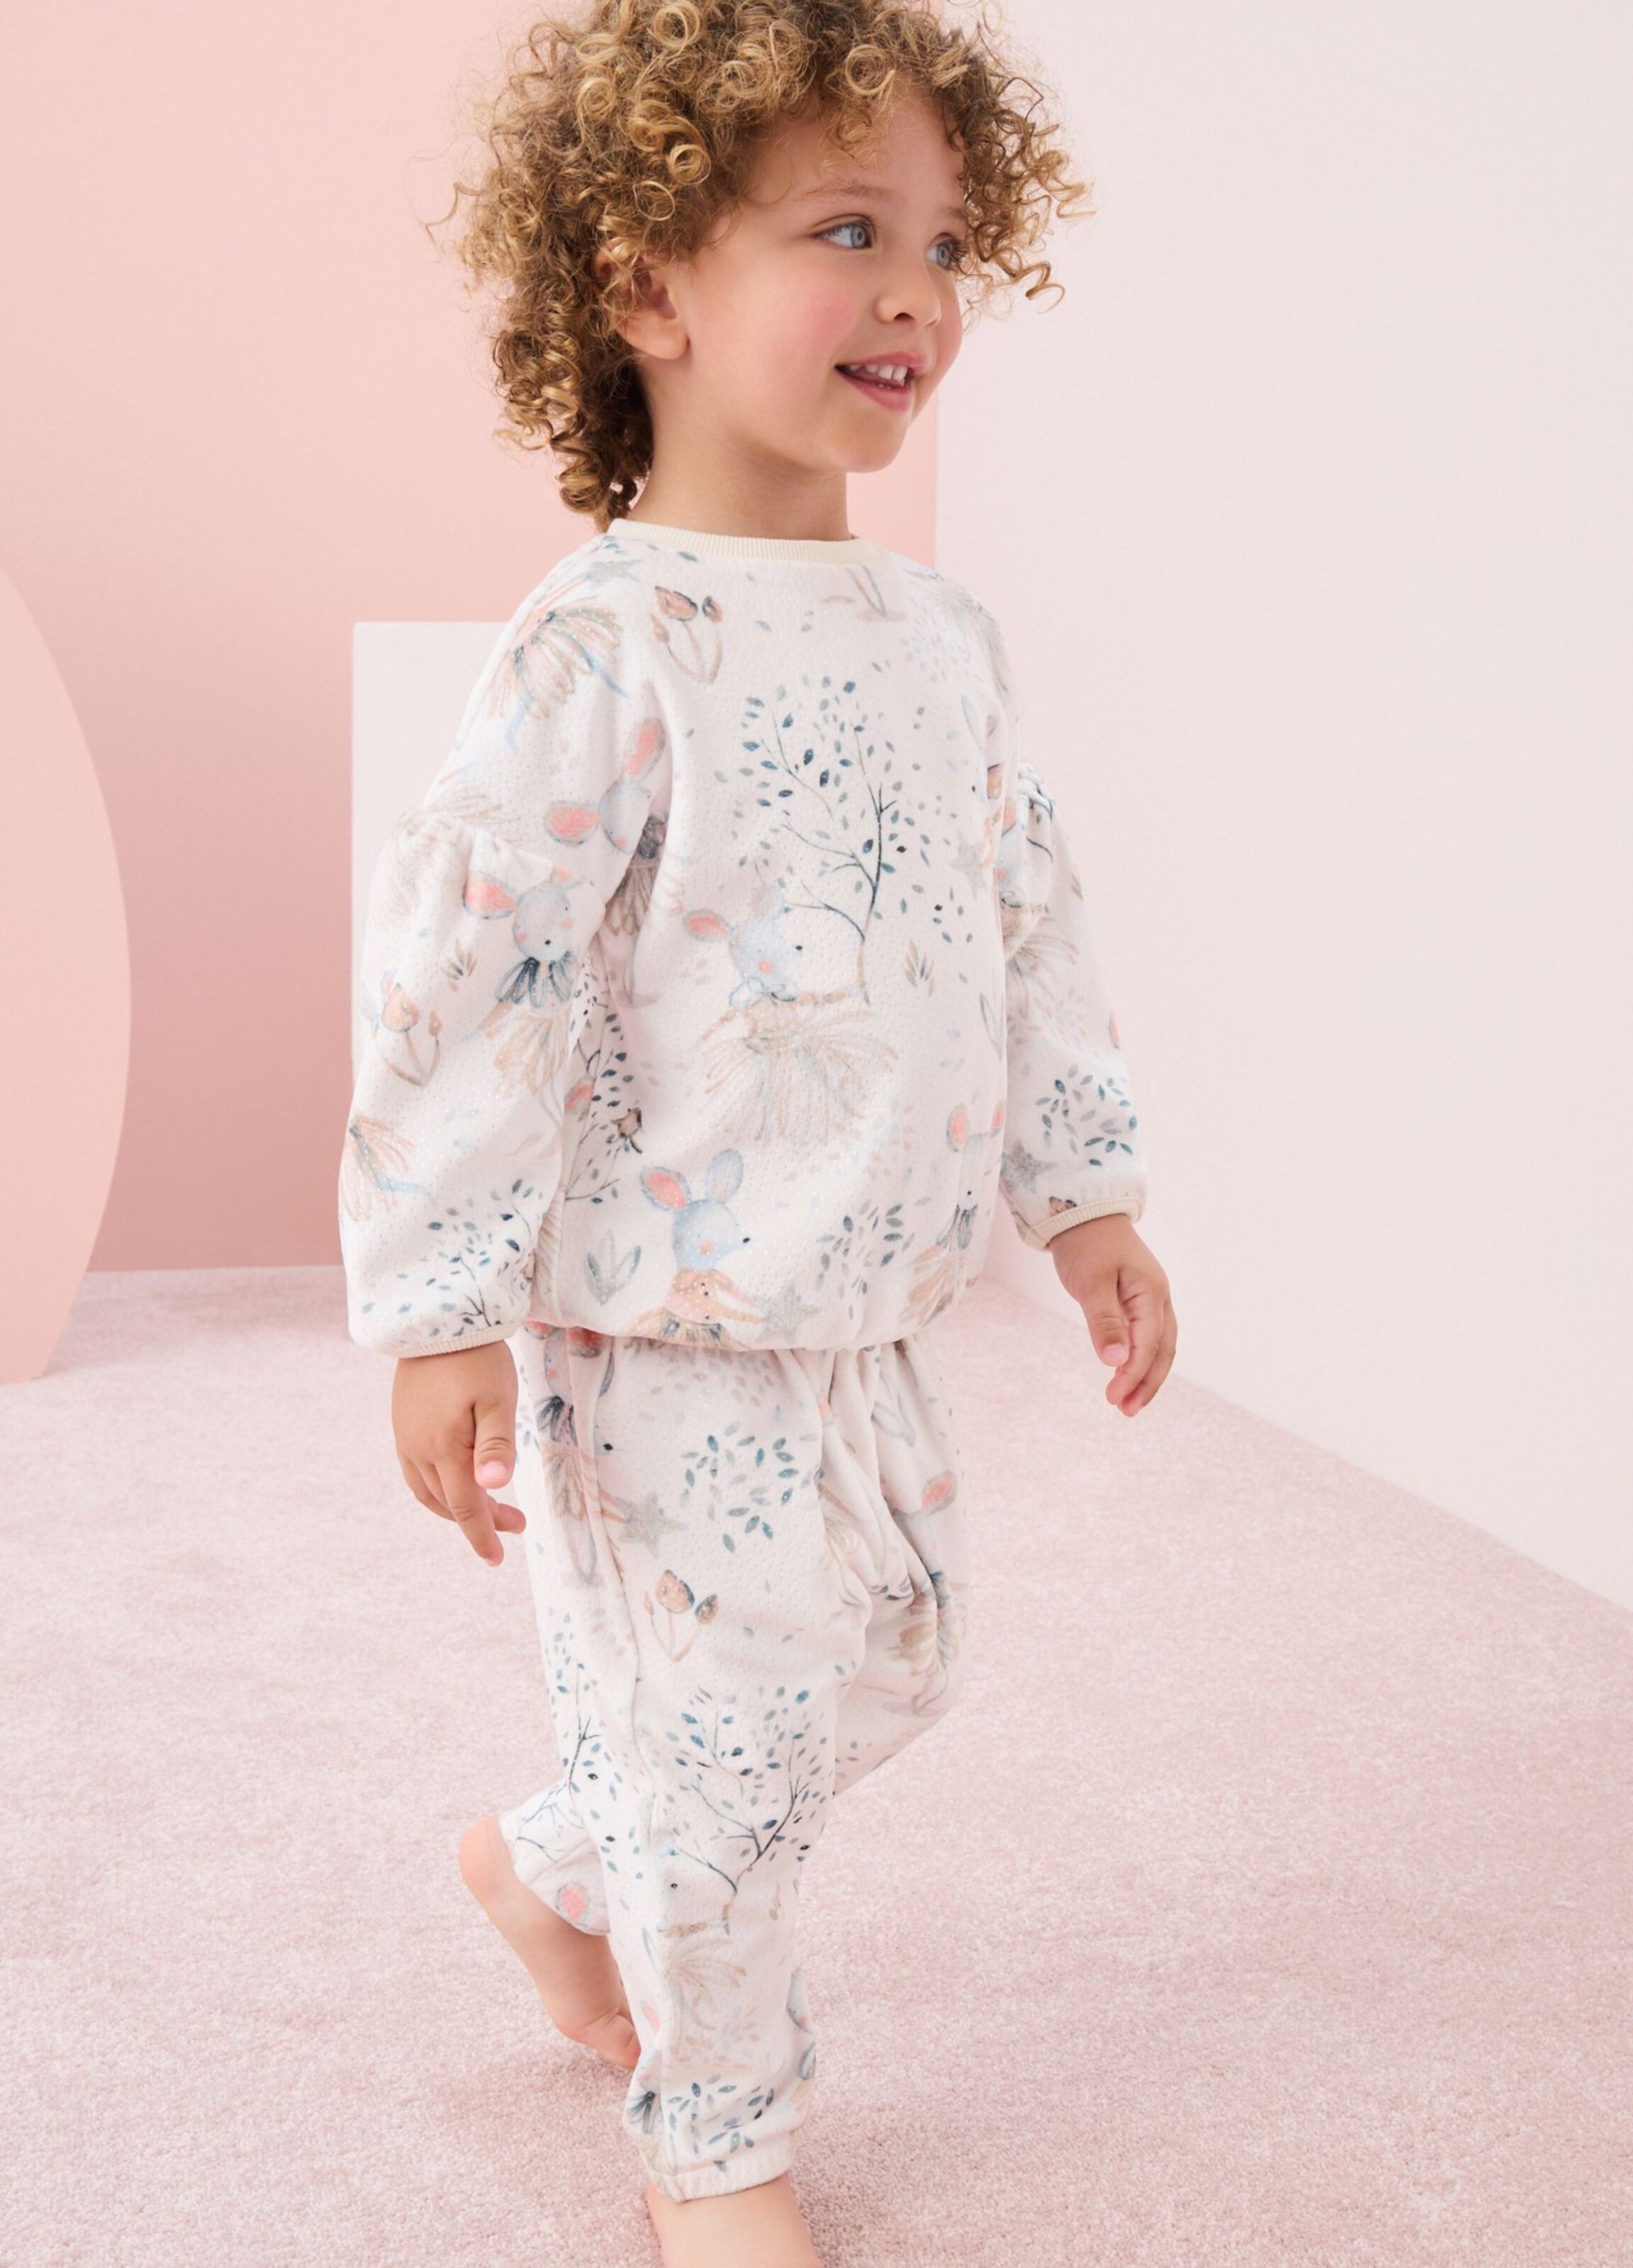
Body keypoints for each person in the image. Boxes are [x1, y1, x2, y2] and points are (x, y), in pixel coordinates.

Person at [338, 4, 1177, 2259]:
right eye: (847, 232)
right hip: (660, 1317)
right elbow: (471, 985)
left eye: (946, 242)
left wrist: (1086, 1192)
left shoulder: (942, 634)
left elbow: (1030, 920)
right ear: (647, 287)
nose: (918, 293)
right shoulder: (606, 649)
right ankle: (713, 2146)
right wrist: (436, 1307)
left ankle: (552, 1861)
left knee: (897, 1659)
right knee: (721, 1762)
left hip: (875, 1292)